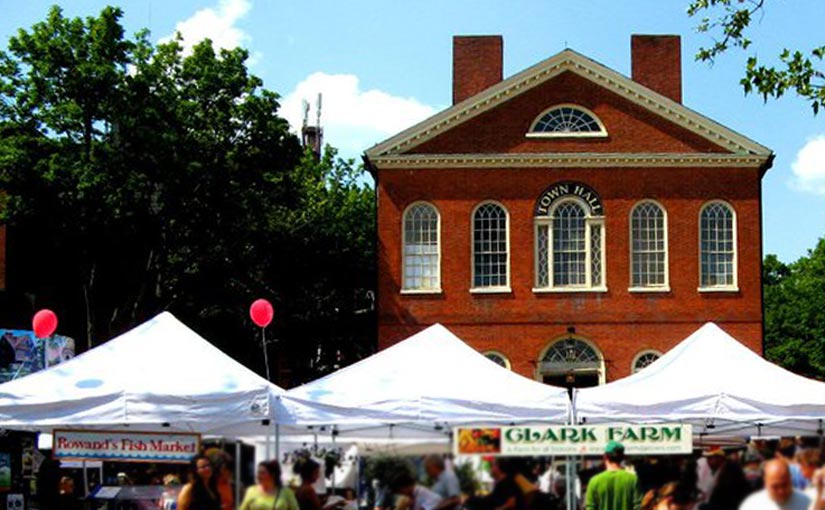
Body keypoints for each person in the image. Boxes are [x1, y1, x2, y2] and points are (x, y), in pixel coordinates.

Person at [584, 441, 642, 510]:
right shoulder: (633, 480)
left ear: (605, 457)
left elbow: (590, 507)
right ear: (622, 457)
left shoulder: (594, 481)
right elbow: (638, 506)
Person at [739, 459, 811, 510]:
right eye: (775, 486)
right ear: (765, 482)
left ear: (790, 479)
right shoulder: (752, 505)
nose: (781, 491)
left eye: (784, 484)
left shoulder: (807, 502)